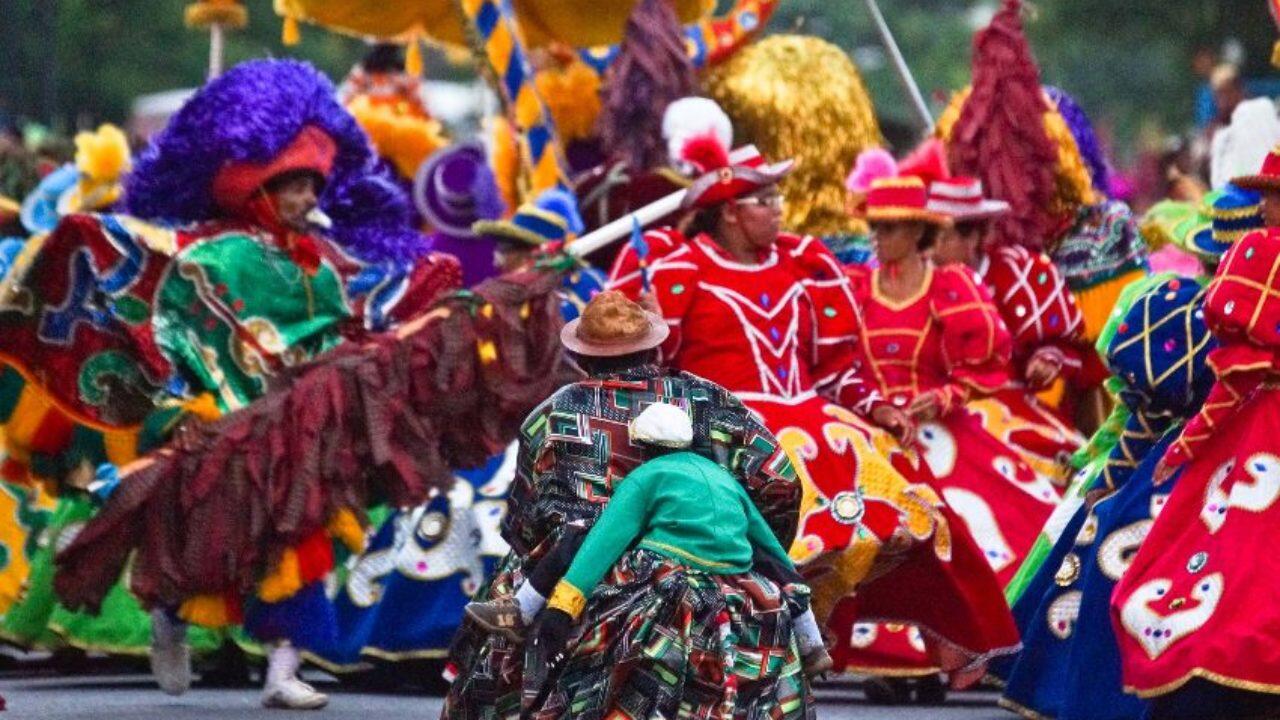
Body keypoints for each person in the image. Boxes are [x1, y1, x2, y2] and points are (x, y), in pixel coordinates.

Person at [10, 59, 462, 710]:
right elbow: (172, 328)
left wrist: (424, 298)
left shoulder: (327, 264)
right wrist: (192, 403)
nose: (310, 199)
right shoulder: (212, 255)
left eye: (313, 186)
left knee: (311, 540)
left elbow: (354, 323)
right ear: (259, 190)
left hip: (302, 432)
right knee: (204, 546)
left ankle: (283, 671)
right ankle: (169, 614)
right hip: (221, 426)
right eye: (295, 187)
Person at [608, 133, 1018, 685]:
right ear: (730, 212)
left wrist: (875, 406)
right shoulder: (678, 270)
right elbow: (646, 370)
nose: (779, 211)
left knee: (912, 511)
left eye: (779, 200)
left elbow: (834, 372)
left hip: (816, 424)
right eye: (766, 201)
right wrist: (647, 328)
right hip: (727, 431)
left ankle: (891, 633)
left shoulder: (806, 265)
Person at [443, 290, 812, 719]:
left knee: (493, 672)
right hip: (710, 563)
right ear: (654, 349)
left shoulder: (554, 413)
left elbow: (525, 521)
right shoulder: (709, 399)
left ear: (582, 361)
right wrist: (735, 541)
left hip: (580, 565)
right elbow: (781, 482)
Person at [466, 401, 832, 676]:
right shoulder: (725, 477)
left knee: (580, 532)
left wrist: (562, 610)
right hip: (737, 575)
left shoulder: (644, 475)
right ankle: (813, 645)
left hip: (666, 572)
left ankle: (522, 610)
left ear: (641, 445)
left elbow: (601, 544)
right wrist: (794, 595)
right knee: (773, 570)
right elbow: (769, 548)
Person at [1110, 146, 1280, 720]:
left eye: (1272, 199)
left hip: (1260, 432)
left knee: (1233, 564)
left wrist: (1187, 444)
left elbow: (1235, 378)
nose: (1266, 210)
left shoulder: (1260, 255)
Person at [921, 156, 1086, 487]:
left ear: (975, 237)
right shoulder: (913, 281)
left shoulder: (1020, 273)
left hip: (1007, 406)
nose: (933, 249)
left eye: (945, 237)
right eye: (928, 235)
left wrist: (1047, 359)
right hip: (930, 405)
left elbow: (1070, 345)